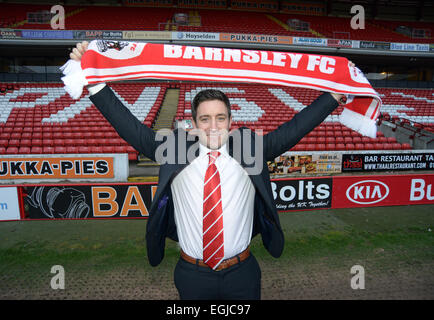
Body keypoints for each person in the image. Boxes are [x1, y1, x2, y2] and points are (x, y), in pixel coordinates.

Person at [69, 41, 350, 300]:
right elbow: (131, 129)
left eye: (220, 118)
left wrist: (334, 95)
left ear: (230, 120)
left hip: (243, 273)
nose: (213, 126)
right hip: (192, 275)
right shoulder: (177, 149)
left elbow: (295, 129)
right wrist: (95, 83)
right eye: (205, 118)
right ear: (193, 122)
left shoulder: (248, 149)